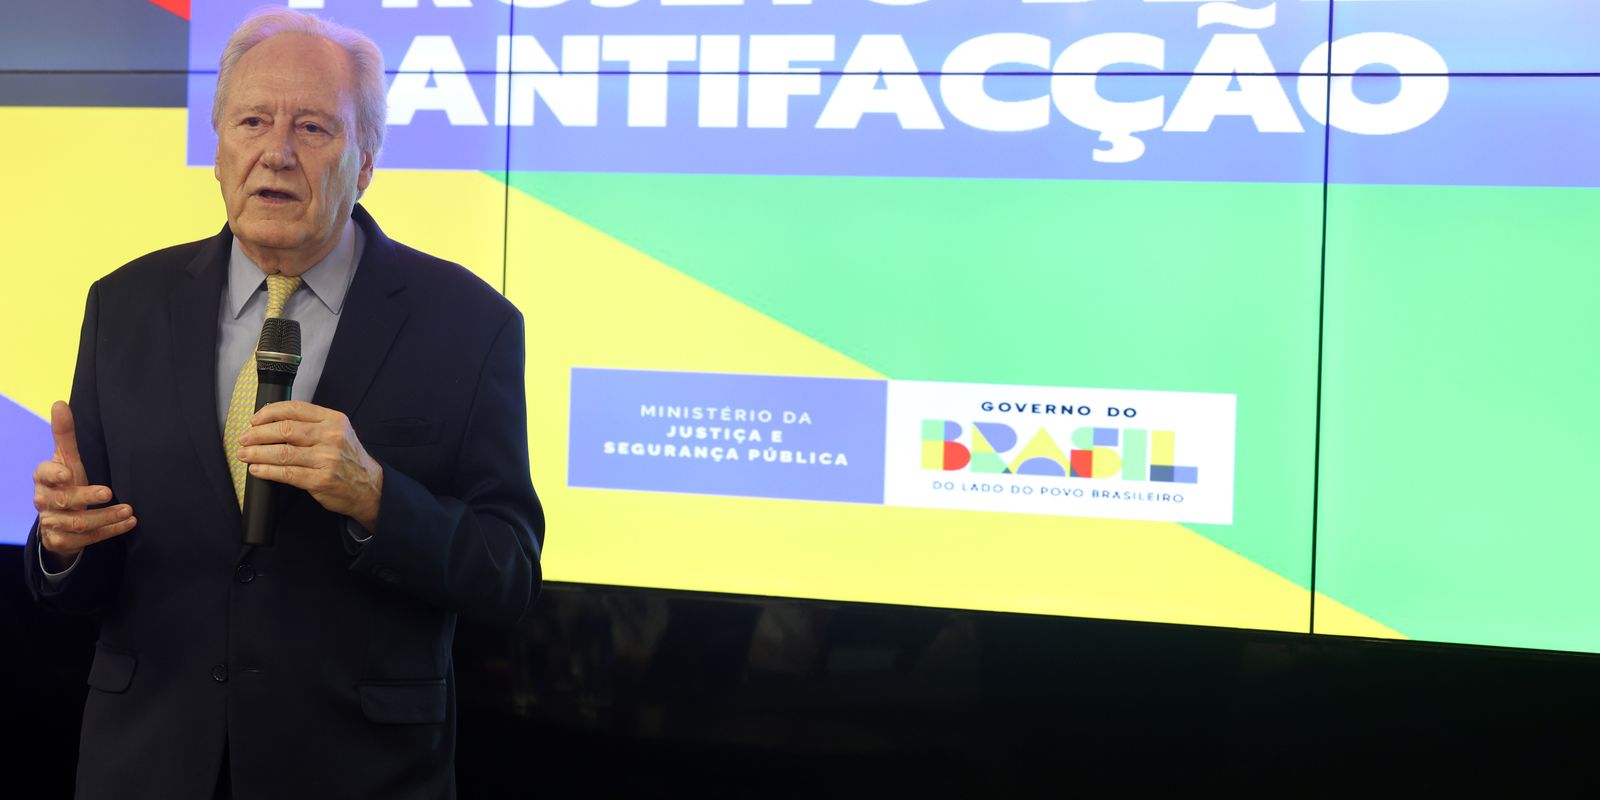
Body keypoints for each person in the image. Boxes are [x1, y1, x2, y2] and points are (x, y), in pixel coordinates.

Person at [22, 8, 543, 799]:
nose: (277, 152)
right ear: (218, 148)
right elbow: (92, 567)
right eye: (253, 121)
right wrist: (62, 546)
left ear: (365, 162)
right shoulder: (124, 304)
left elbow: (508, 572)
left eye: (313, 127)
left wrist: (377, 498)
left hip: (357, 774)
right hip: (149, 765)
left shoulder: (468, 325)